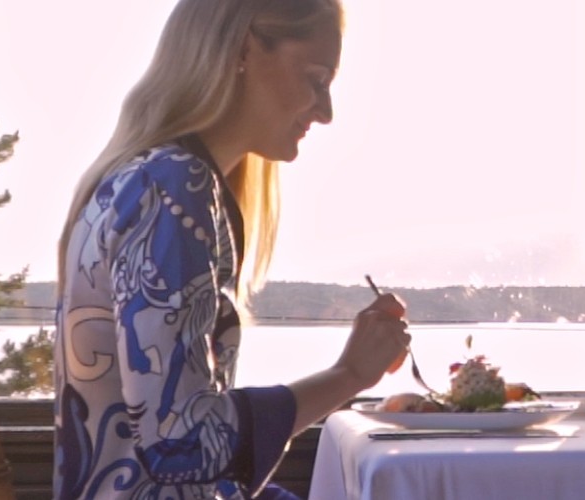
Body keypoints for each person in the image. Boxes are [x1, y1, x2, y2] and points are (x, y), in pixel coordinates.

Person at [52, 1, 409, 498]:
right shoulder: (173, 189)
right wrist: (349, 375)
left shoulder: (147, 179)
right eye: (316, 78)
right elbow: (182, 443)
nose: (326, 112)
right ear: (244, 48)